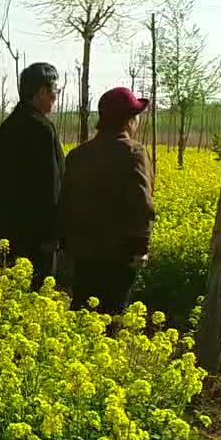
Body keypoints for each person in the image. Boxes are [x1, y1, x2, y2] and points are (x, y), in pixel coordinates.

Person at [57, 87, 156, 316]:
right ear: (129, 120)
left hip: (81, 253)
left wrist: (63, 242)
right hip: (118, 255)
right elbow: (141, 203)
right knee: (111, 316)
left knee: (82, 312)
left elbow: (65, 201)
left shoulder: (78, 154)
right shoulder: (134, 153)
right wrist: (140, 245)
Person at [0, 62, 64, 288]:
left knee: (10, 290)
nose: (55, 97)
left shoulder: (7, 126)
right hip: (37, 235)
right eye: (54, 91)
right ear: (41, 91)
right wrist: (54, 233)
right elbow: (50, 184)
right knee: (35, 290)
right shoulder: (41, 127)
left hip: (7, 229)